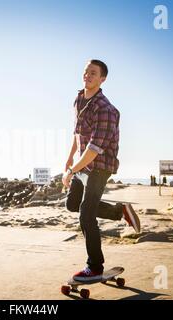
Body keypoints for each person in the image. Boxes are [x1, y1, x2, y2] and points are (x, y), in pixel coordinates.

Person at [62, 59, 141, 282]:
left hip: (99, 165)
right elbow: (77, 135)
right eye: (86, 71)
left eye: (93, 73)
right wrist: (69, 161)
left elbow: (94, 149)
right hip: (82, 163)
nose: (87, 75)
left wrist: (71, 171)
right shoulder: (79, 99)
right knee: (72, 204)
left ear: (102, 79)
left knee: (86, 215)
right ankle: (120, 211)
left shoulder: (106, 109)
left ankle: (94, 266)